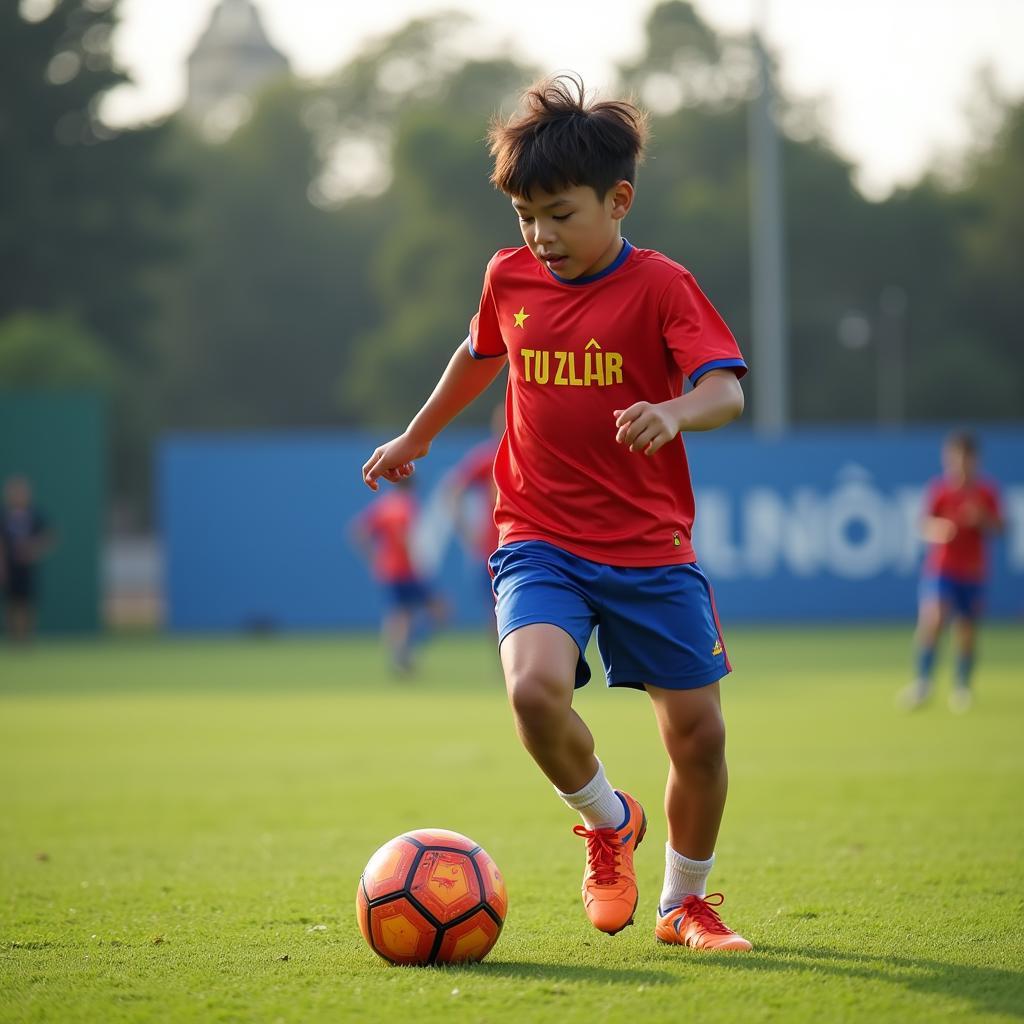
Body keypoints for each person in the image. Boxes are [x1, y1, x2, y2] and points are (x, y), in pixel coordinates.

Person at [362, 74, 751, 951]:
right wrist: (417, 436)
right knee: (533, 691)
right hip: (538, 537)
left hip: (652, 549)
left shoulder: (661, 286)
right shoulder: (511, 277)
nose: (540, 236)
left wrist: (674, 411)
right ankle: (608, 825)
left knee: (698, 737)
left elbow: (723, 389)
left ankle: (683, 903)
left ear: (619, 201)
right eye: (526, 216)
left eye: (560, 214)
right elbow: (476, 355)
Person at [902, 432, 1004, 713]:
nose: (959, 463)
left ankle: (962, 686)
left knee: (966, 630)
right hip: (942, 568)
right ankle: (923, 682)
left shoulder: (986, 493)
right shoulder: (940, 490)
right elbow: (924, 525)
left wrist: (982, 519)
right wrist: (939, 530)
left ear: (975, 460)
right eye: (954, 456)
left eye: (965, 457)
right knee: (933, 618)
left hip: (972, 572)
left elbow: (1001, 528)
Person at [349, 477, 447, 675]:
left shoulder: (384, 505)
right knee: (439, 610)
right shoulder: (407, 506)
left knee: (400, 614)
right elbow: (404, 538)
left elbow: (358, 531)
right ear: (412, 486)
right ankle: (406, 651)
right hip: (407, 570)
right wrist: (417, 562)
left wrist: (374, 559)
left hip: (389, 571)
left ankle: (399, 655)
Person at [446, 404, 504, 609]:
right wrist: (466, 532)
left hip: (524, 544)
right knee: (498, 613)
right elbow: (453, 490)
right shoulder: (487, 458)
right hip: (493, 548)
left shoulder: (529, 455)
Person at [0, 476, 55, 644]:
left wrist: (32, 550)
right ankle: (14, 638)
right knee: (11, 603)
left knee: (27, 603)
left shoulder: (35, 514)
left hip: (27, 567)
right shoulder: (4, 515)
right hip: (10, 567)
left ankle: (26, 638)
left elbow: (49, 536)